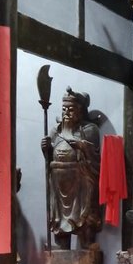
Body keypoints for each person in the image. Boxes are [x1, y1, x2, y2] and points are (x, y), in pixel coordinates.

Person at [41, 87, 102, 250]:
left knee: (85, 215)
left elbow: (95, 156)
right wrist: (46, 149)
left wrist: (82, 145)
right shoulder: (55, 130)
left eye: (71, 109)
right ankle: (62, 246)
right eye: (64, 109)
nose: (67, 112)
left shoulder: (89, 130)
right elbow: (50, 156)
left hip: (81, 180)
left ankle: (86, 245)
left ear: (80, 111)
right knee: (58, 219)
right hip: (58, 180)